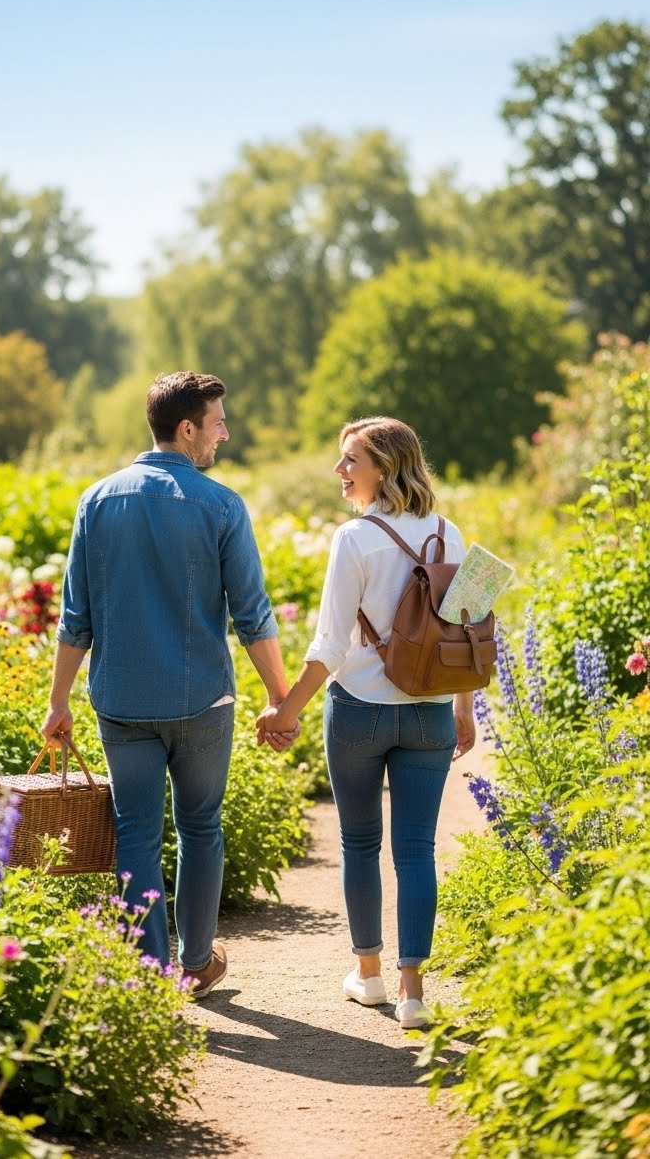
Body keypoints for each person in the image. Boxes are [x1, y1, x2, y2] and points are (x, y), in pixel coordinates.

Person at [42, 371, 296, 999]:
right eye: (217, 422)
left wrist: (57, 702)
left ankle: (152, 975)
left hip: (121, 701)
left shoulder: (96, 501)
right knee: (201, 826)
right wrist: (280, 700)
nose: (225, 434)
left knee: (135, 832)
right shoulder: (220, 504)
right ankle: (196, 961)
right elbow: (253, 615)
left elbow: (76, 617)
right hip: (200, 701)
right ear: (187, 429)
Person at [256, 416, 475, 1029]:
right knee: (416, 851)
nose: (340, 471)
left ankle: (370, 976)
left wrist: (285, 711)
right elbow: (467, 635)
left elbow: (330, 646)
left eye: (351, 459)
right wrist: (462, 710)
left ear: (384, 464)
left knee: (359, 843)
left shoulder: (354, 539)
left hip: (359, 710)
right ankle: (414, 994)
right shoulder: (451, 534)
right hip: (430, 714)